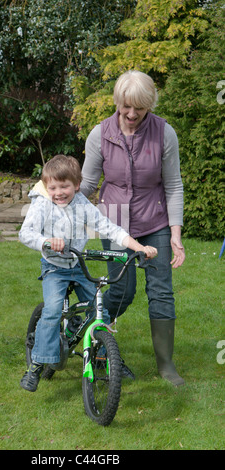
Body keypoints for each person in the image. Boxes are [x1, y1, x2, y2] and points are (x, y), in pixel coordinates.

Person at [80, 70, 185, 387]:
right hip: (114, 219)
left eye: (139, 108)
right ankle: (90, 330)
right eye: (126, 106)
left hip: (155, 222)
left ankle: (166, 366)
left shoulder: (164, 134)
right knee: (123, 291)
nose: (131, 114)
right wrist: (59, 212)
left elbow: (174, 186)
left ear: (149, 104)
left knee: (162, 292)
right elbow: (86, 184)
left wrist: (176, 236)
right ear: (117, 101)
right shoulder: (101, 134)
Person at [19, 154, 157, 392]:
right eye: (53, 187)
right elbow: (26, 233)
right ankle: (37, 364)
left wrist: (139, 247)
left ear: (77, 185)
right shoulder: (42, 204)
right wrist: (47, 241)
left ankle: (106, 358)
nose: (59, 192)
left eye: (65, 186)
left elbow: (108, 227)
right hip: (54, 267)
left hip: (77, 265)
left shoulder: (82, 204)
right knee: (52, 311)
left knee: (99, 309)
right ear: (45, 186)